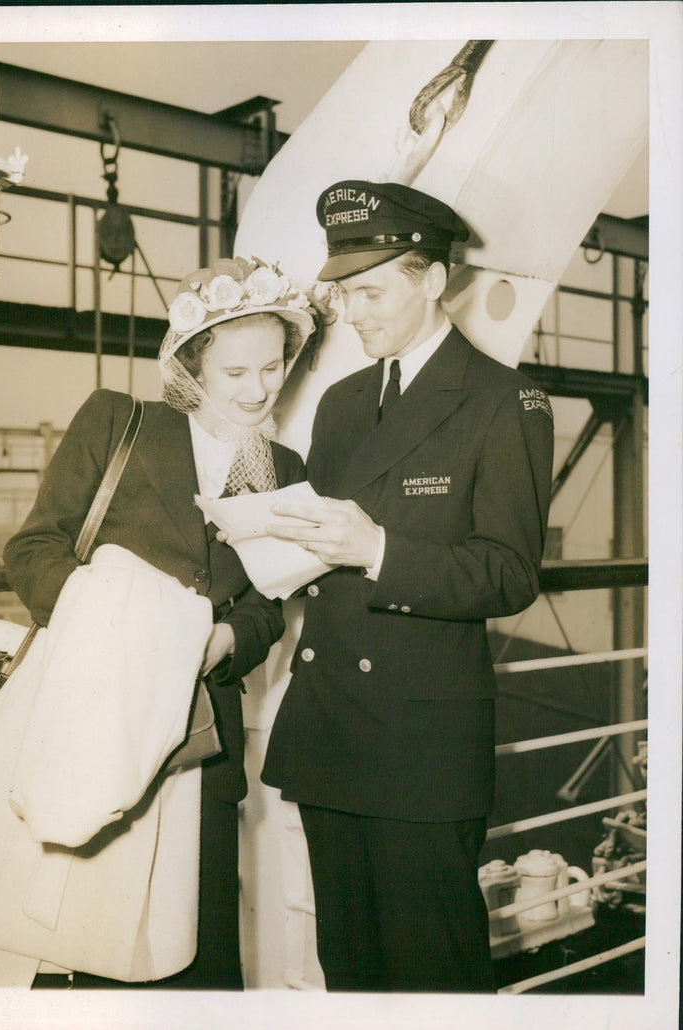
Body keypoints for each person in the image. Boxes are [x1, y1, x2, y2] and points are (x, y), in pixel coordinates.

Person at [0, 256, 314, 990]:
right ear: (191, 366)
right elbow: (33, 548)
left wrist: (228, 641)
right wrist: (119, 636)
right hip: (86, 713)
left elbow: (267, 600)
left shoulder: (281, 466)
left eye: (272, 367)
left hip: (199, 743)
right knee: (71, 949)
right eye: (236, 373)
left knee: (192, 958)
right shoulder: (118, 423)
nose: (259, 390)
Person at [261, 180, 554, 992]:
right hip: (329, 732)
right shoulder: (343, 403)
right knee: (347, 969)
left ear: (433, 280)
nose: (352, 311)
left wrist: (379, 547)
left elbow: (508, 571)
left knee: (435, 976)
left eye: (370, 290)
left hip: (421, 748)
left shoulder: (507, 400)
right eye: (343, 292)